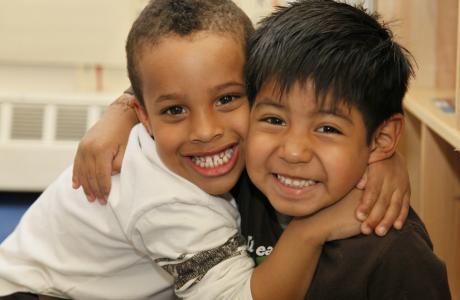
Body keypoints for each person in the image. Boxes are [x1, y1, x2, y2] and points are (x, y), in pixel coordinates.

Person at [0, 1, 376, 299]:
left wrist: (378, 162)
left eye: (227, 99)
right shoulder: (167, 204)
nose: (206, 131)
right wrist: (311, 230)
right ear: (145, 118)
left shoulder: (181, 145)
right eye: (175, 110)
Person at [237, 1, 452, 298]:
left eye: (327, 128)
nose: (293, 152)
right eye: (274, 120)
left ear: (381, 139)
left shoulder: (395, 252)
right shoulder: (234, 193)